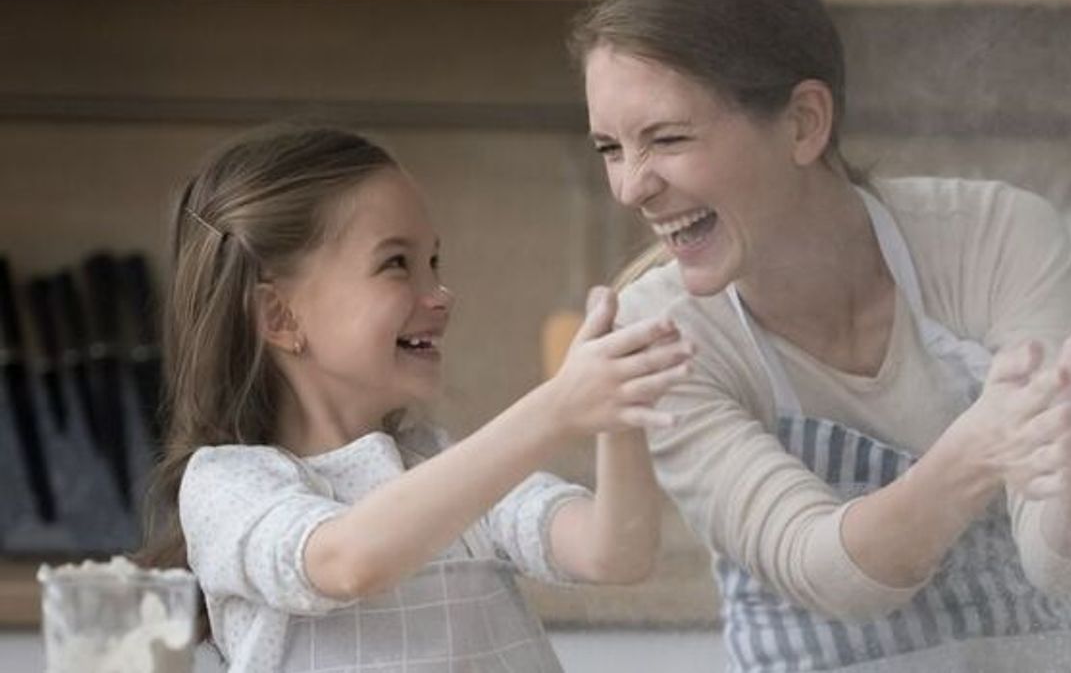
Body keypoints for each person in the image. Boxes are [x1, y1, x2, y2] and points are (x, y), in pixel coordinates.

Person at [570, 0, 1071, 672]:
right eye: (609, 147)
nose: (630, 187)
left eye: (665, 138)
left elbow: (1065, 571)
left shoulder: (992, 238)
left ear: (802, 123)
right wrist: (975, 449)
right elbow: (824, 571)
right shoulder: (660, 338)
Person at [135, 123, 693, 672]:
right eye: (396, 263)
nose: (440, 294)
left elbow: (614, 552)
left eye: (434, 262)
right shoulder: (227, 484)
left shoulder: (445, 466)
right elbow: (348, 561)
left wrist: (622, 407)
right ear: (279, 316)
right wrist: (555, 409)